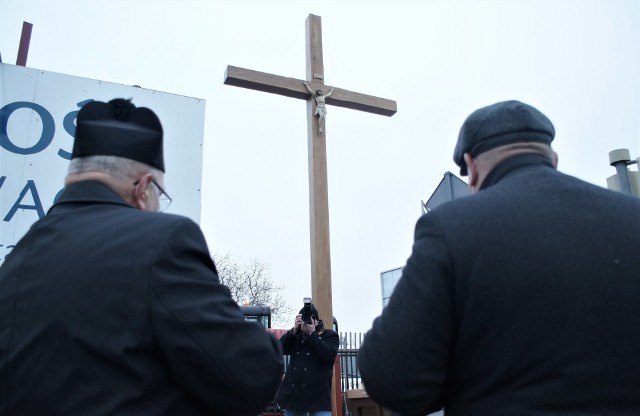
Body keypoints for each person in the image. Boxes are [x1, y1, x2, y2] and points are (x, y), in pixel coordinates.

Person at [0, 98, 283, 416]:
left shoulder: (18, 258)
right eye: (160, 194)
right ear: (144, 187)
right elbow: (251, 374)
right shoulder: (163, 241)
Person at [359, 100, 640, 416]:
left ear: (472, 167)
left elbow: (392, 377)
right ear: (553, 158)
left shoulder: (452, 227)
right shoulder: (633, 217)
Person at [276, 301, 339, 416]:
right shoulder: (296, 335)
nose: (305, 322)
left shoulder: (329, 335)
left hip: (318, 397)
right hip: (294, 397)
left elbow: (329, 356)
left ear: (315, 320)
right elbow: (279, 349)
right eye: (302, 319)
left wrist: (312, 334)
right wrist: (293, 330)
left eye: (308, 319)